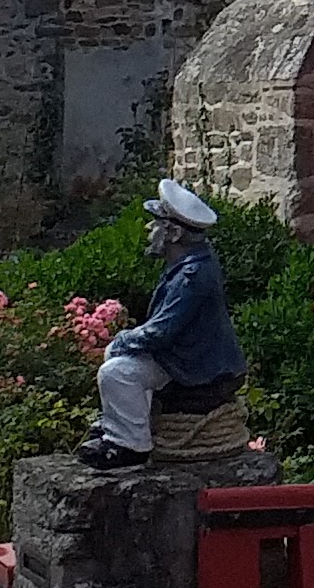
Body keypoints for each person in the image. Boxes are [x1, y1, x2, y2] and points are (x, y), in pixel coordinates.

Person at [79, 178, 246, 467]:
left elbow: (162, 331)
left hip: (197, 365)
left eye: (156, 223)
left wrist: (123, 339)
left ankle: (130, 445)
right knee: (118, 357)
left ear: (174, 233)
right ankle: (120, 423)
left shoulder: (191, 276)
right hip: (186, 355)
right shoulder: (190, 264)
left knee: (116, 371)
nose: (148, 228)